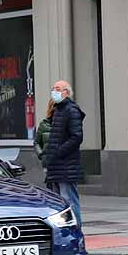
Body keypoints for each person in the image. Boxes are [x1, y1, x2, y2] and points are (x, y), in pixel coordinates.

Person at [44, 79, 85, 225]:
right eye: (53, 88)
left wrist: (58, 152)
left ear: (66, 92)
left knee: (69, 201)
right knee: (58, 203)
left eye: (58, 88)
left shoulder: (71, 110)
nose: (54, 91)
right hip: (56, 165)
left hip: (66, 166)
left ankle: (75, 230)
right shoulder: (58, 110)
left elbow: (76, 137)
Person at [33, 96, 55, 186]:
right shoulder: (44, 124)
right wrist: (41, 155)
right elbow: (36, 142)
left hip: (62, 162)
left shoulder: (64, 123)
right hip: (48, 162)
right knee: (51, 187)